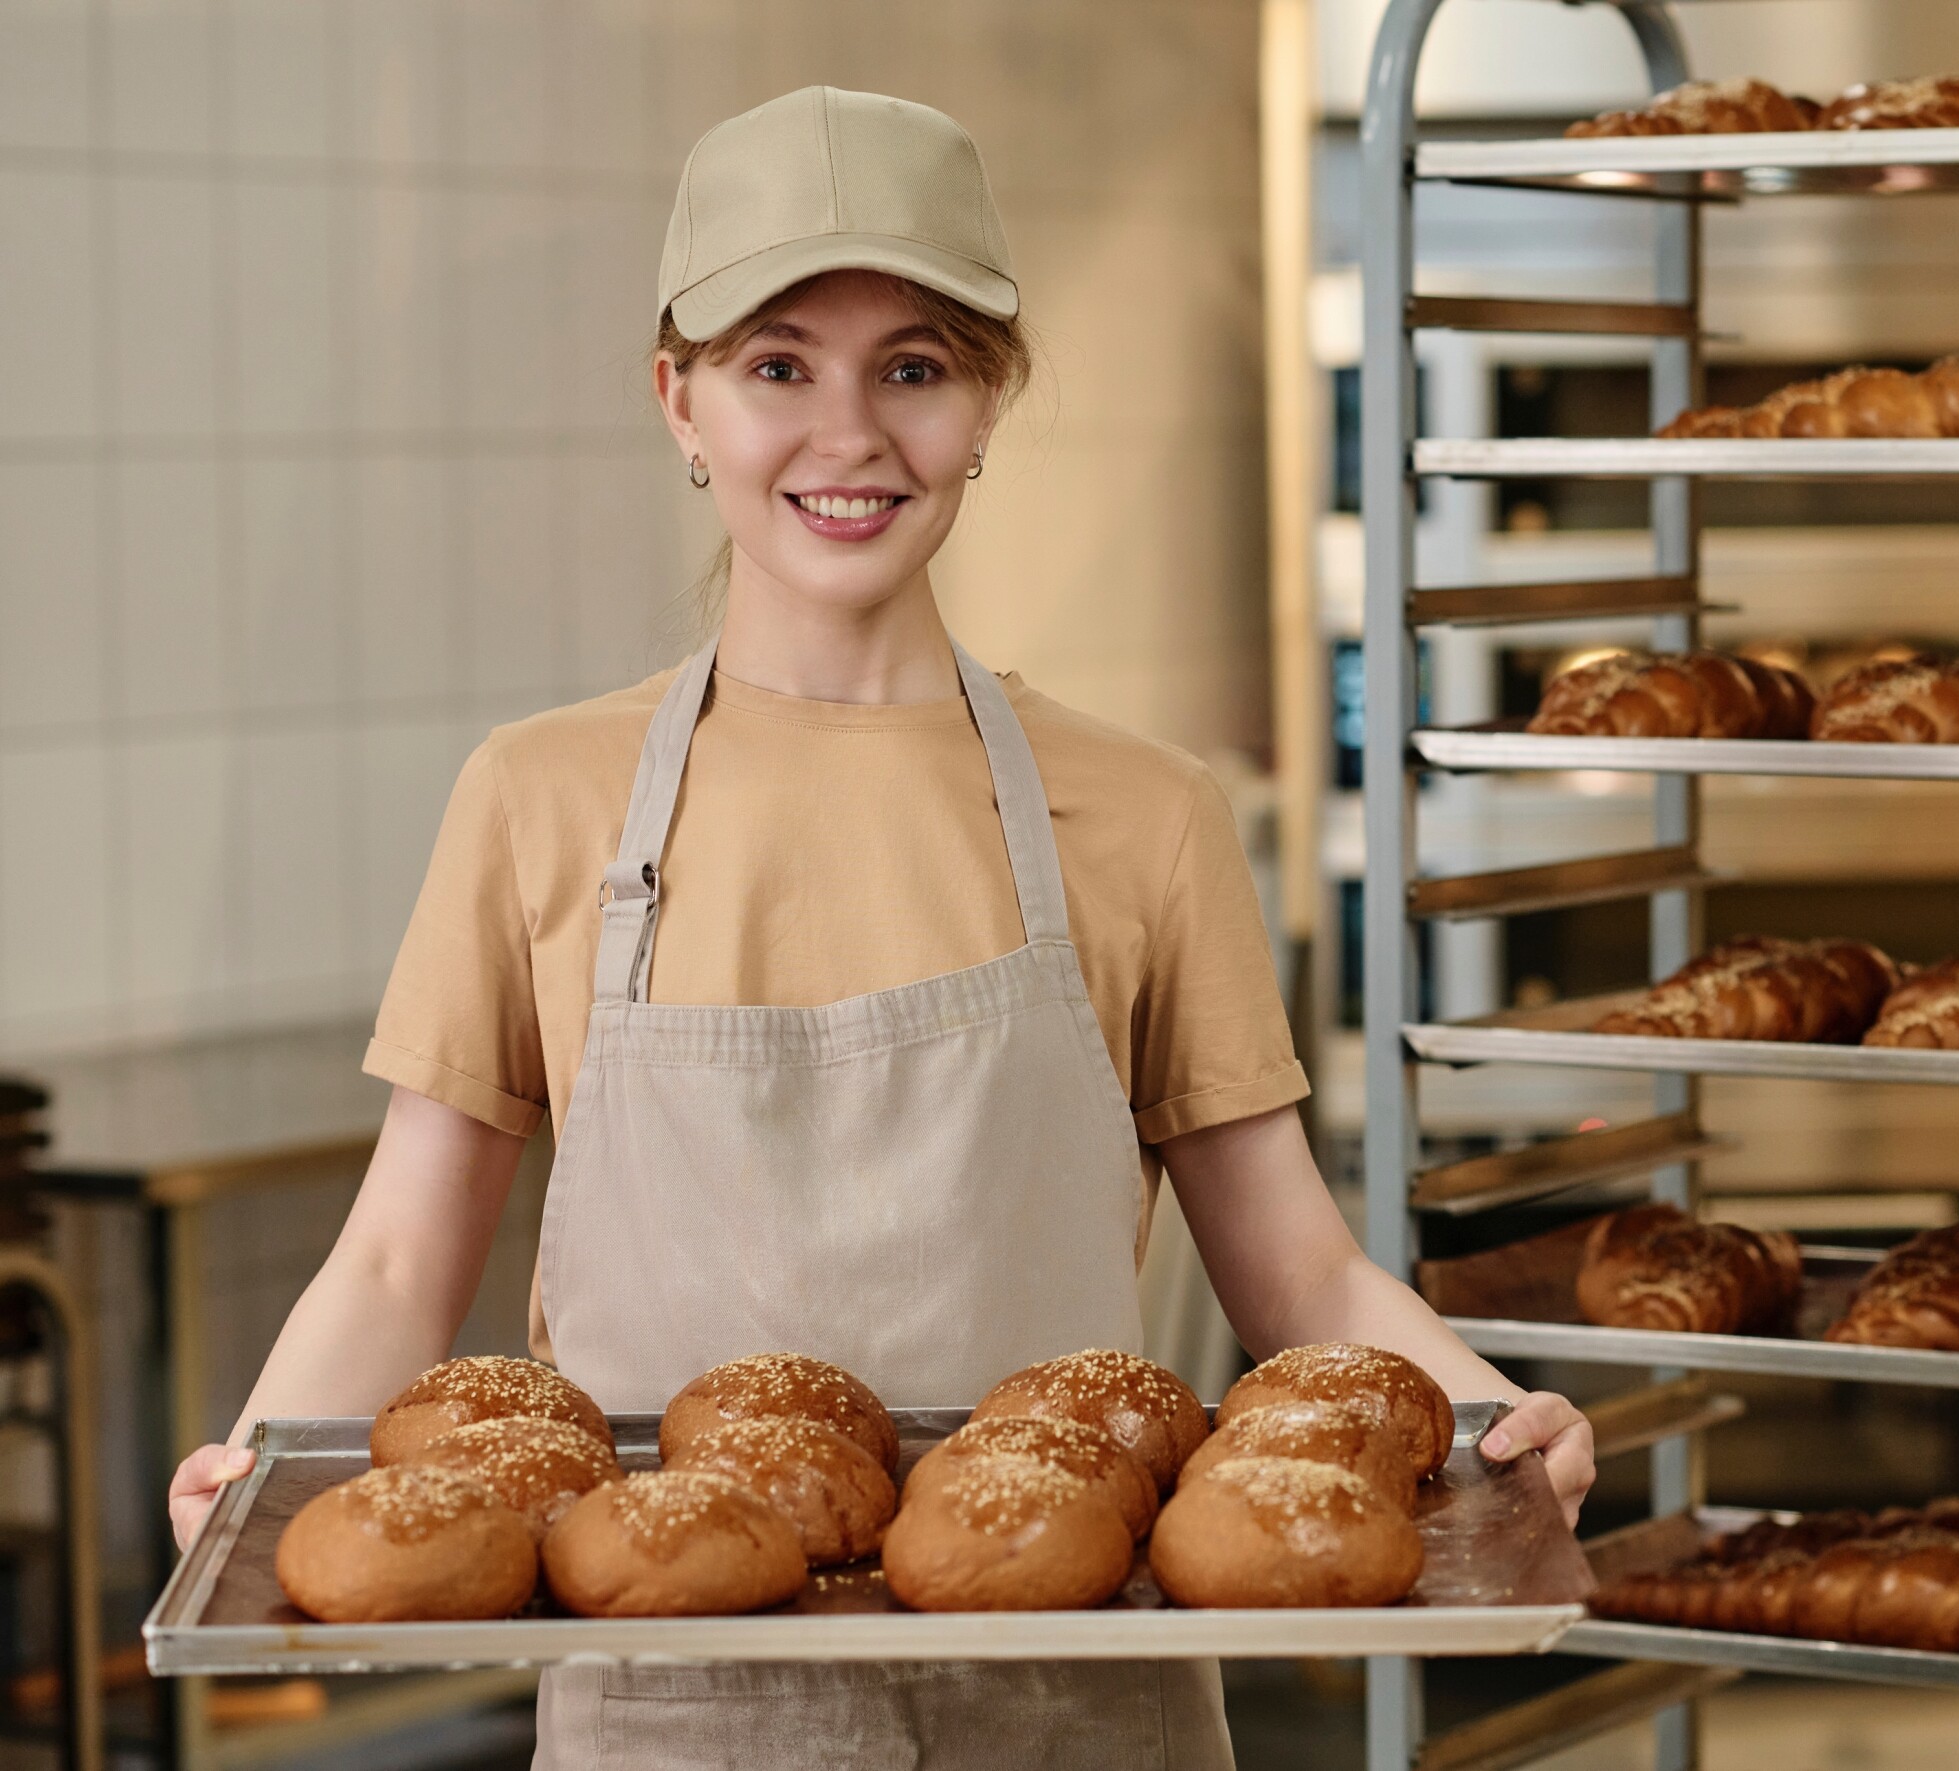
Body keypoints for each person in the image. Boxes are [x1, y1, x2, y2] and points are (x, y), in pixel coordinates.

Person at [164, 86, 1593, 1768]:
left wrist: (1488, 1411)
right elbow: (406, 1254)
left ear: (990, 402)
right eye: (779, 366)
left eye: (913, 367)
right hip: (677, 1711)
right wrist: (255, 1462)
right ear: (678, 401)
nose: (848, 437)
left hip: (1076, 1708)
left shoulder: (1142, 811)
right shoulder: (539, 797)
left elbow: (1291, 1262)